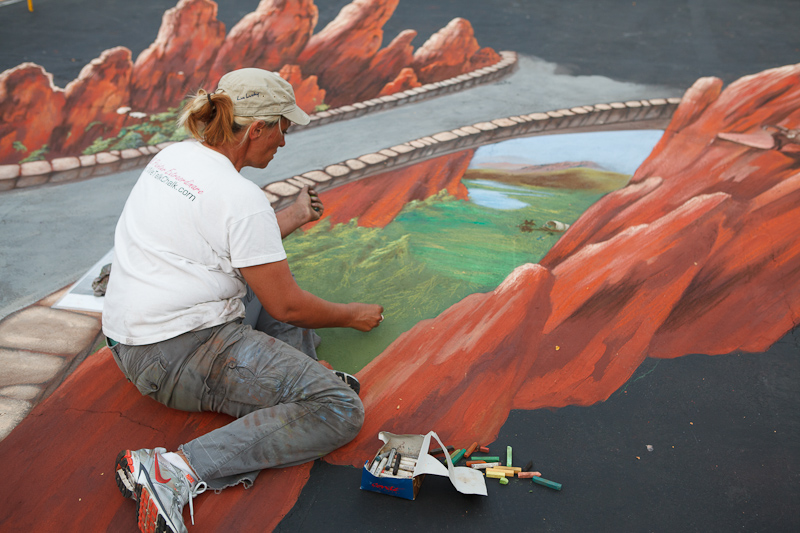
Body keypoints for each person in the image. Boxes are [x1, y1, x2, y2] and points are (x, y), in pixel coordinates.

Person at [102, 68, 384, 533]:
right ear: (257, 128)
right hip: (177, 354)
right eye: (283, 128)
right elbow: (287, 307)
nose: (284, 142)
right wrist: (352, 315)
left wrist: (290, 215)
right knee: (337, 410)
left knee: (269, 282)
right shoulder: (241, 196)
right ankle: (172, 471)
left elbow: (226, 242)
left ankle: (297, 382)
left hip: (132, 335)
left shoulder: (174, 158)